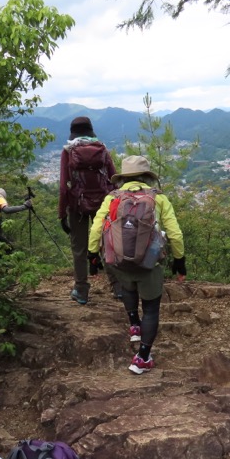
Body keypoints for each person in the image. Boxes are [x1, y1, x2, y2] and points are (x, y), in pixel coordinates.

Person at [87, 155, 186, 375]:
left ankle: (134, 325)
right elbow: (175, 234)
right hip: (148, 263)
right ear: (146, 177)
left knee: (127, 288)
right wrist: (180, 260)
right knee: (151, 309)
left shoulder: (112, 198)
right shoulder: (158, 198)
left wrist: (92, 256)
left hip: (119, 261)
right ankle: (142, 358)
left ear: (123, 177)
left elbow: (96, 229)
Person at [58, 116, 122, 304]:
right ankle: (117, 287)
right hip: (103, 204)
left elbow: (63, 186)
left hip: (77, 205)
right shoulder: (102, 149)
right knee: (106, 243)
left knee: (79, 248)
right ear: (91, 131)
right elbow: (114, 178)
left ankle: (82, 290)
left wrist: (62, 213)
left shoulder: (68, 151)